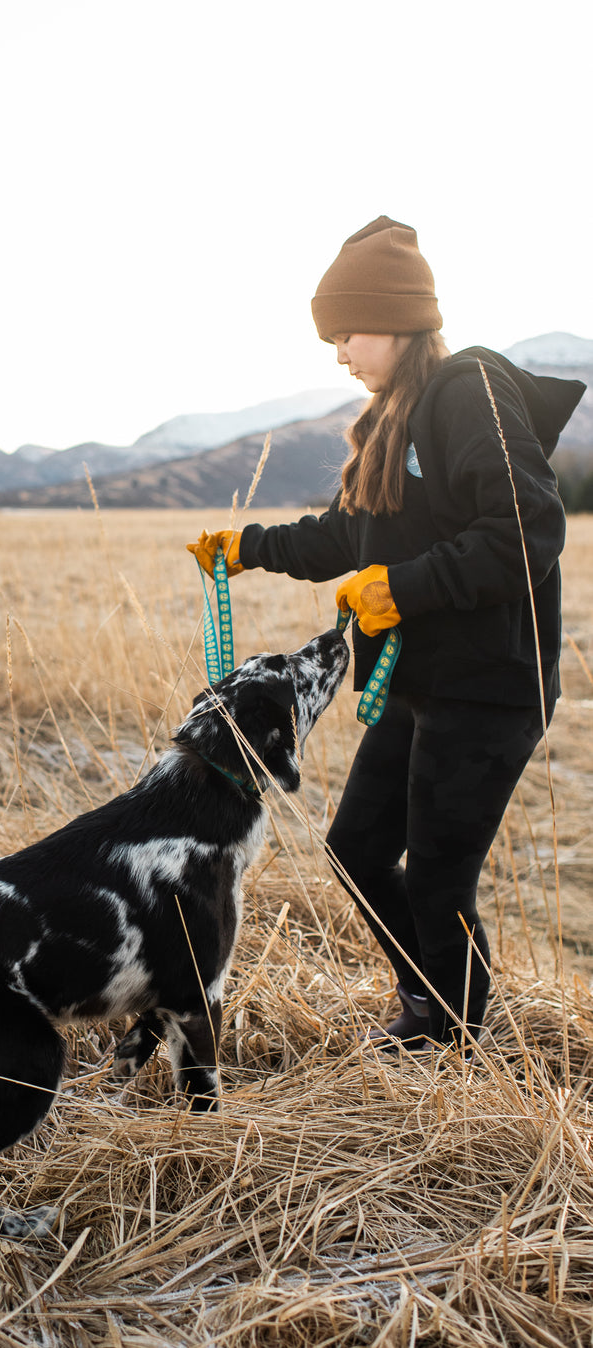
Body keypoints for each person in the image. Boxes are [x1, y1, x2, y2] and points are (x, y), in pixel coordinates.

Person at [187, 215, 585, 1055]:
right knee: (357, 848)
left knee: (439, 878)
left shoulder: (468, 391)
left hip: (487, 688)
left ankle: (456, 1035)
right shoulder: (386, 423)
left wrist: (404, 587)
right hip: (417, 687)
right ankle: (429, 996)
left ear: (402, 317)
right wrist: (247, 549)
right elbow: (345, 536)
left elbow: (527, 526)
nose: (337, 352)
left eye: (347, 331)